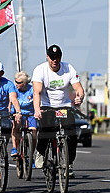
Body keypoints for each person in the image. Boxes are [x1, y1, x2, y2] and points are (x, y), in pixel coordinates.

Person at [32, 44, 84, 178]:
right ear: (47, 57)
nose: (55, 60)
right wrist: (37, 110)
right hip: (47, 106)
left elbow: (78, 88)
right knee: (46, 130)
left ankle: (68, 163)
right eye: (52, 57)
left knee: (71, 135)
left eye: (57, 57)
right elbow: (37, 92)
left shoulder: (68, 68)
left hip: (64, 106)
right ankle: (40, 152)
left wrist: (79, 97)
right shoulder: (40, 70)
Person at [10, 71, 37, 161]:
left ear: (25, 83)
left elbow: (37, 100)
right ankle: (14, 147)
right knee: (16, 126)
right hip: (18, 112)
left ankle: (31, 156)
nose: (16, 84)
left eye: (19, 82)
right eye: (15, 81)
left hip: (30, 113)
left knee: (34, 132)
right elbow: (11, 101)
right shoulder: (14, 89)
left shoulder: (32, 89)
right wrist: (12, 111)